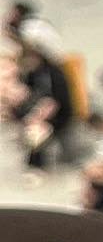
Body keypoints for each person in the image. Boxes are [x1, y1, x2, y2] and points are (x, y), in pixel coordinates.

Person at [15, 44, 75, 173]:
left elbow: (57, 101)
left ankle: (36, 164)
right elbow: (28, 92)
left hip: (58, 112)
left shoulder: (54, 74)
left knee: (36, 130)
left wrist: (38, 116)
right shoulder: (33, 73)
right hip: (40, 109)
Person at [4, 0, 65, 65]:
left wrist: (11, 34)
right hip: (47, 61)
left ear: (18, 14)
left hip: (50, 64)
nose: (9, 16)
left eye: (12, 13)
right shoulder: (32, 24)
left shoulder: (30, 26)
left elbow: (29, 49)